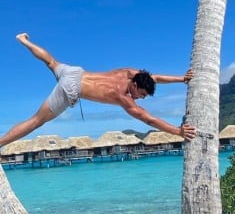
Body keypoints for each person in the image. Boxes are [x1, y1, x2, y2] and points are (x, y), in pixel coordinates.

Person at [0, 33, 197, 149]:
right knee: (36, 121)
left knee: (50, 62)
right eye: (142, 95)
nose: (140, 99)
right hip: (71, 88)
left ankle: (24, 40)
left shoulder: (130, 73)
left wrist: (182, 79)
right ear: (136, 86)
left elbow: (154, 77)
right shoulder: (123, 98)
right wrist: (177, 131)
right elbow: (149, 119)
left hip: (75, 72)